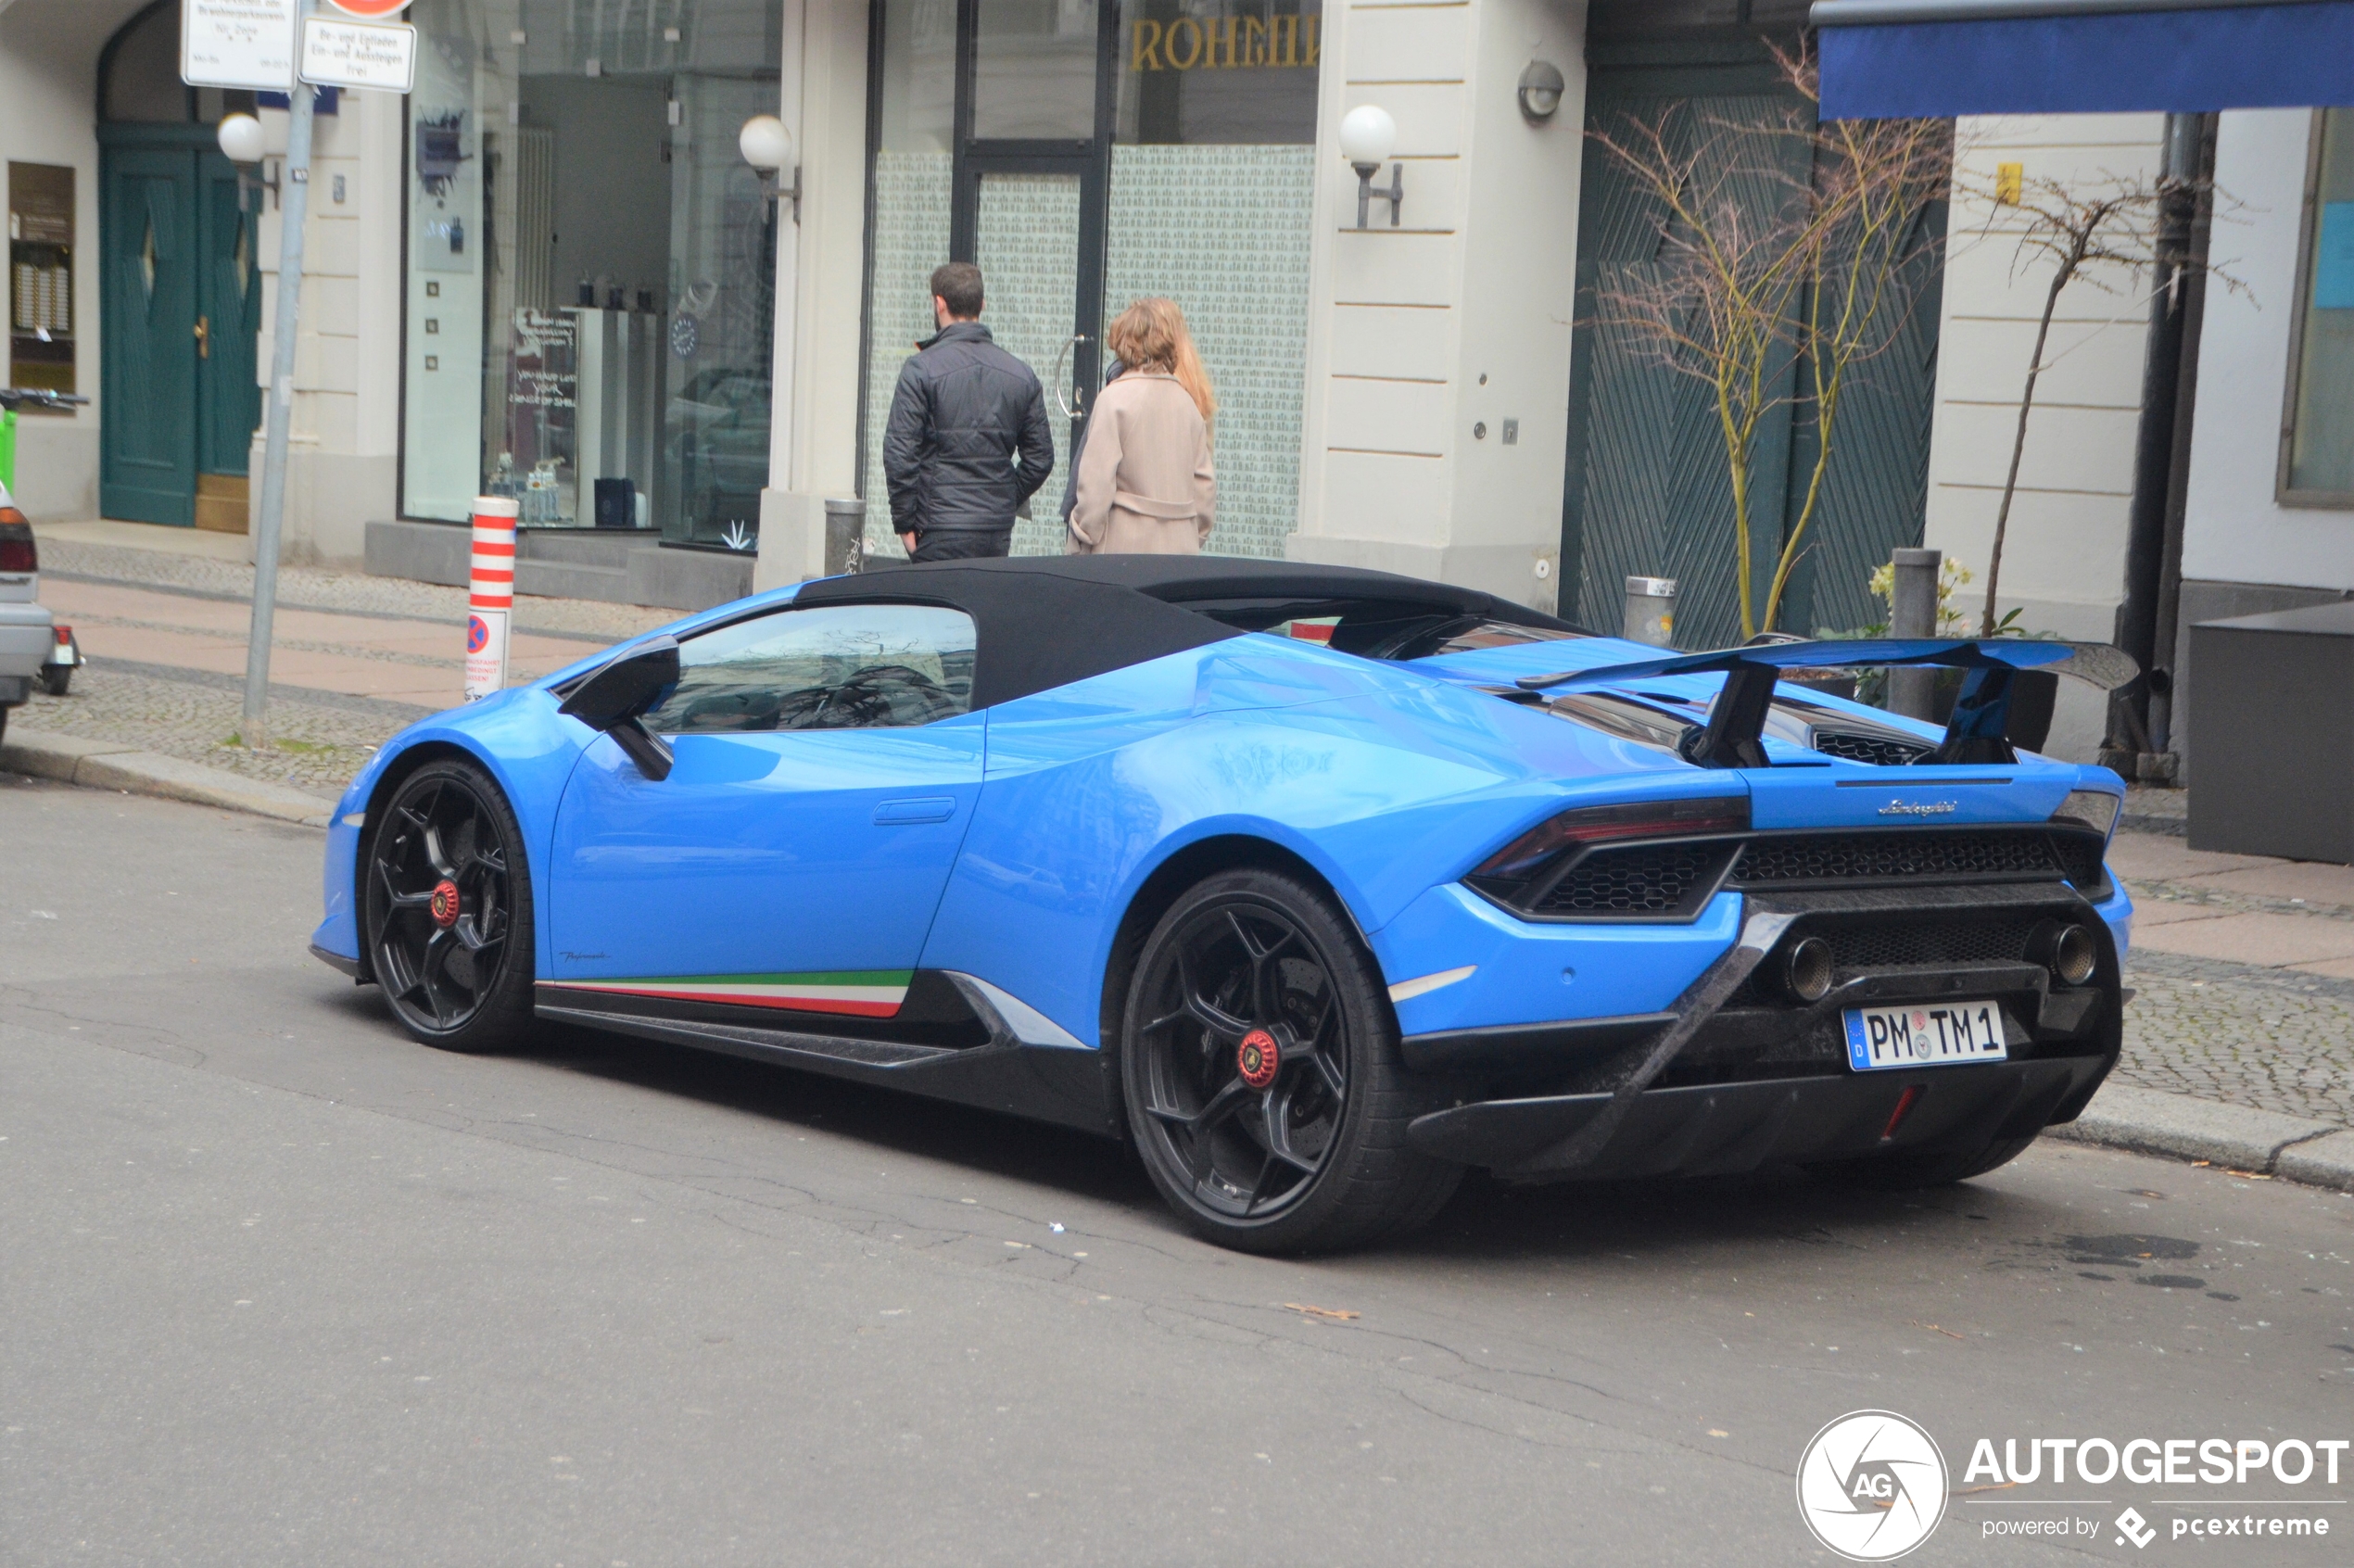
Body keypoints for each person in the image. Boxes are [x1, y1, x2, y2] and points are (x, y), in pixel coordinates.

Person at [882, 261, 1054, 562]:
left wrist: (905, 522)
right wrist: (1002, 496)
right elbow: (1040, 459)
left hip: (937, 526)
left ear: (939, 303)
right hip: (995, 529)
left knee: (938, 608)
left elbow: (900, 454)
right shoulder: (1020, 374)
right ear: (982, 305)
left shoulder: (921, 369)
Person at [1067, 298, 1216, 555]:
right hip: (1180, 548)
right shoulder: (1188, 403)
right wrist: (1192, 533)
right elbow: (1204, 486)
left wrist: (1082, 536)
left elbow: (1096, 485)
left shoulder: (1114, 400)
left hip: (1123, 547)